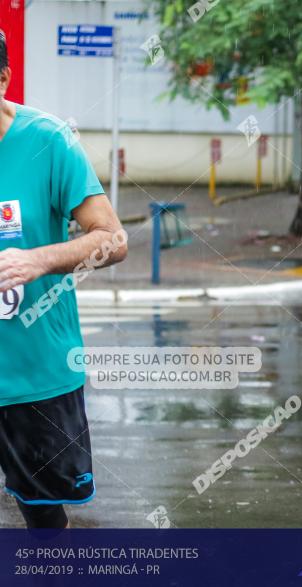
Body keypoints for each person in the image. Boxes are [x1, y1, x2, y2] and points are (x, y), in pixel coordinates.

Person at [0, 30, 128, 529]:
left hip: (36, 373)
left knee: (43, 518)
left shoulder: (48, 141)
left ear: (5, 79)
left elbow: (113, 240)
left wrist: (40, 260)